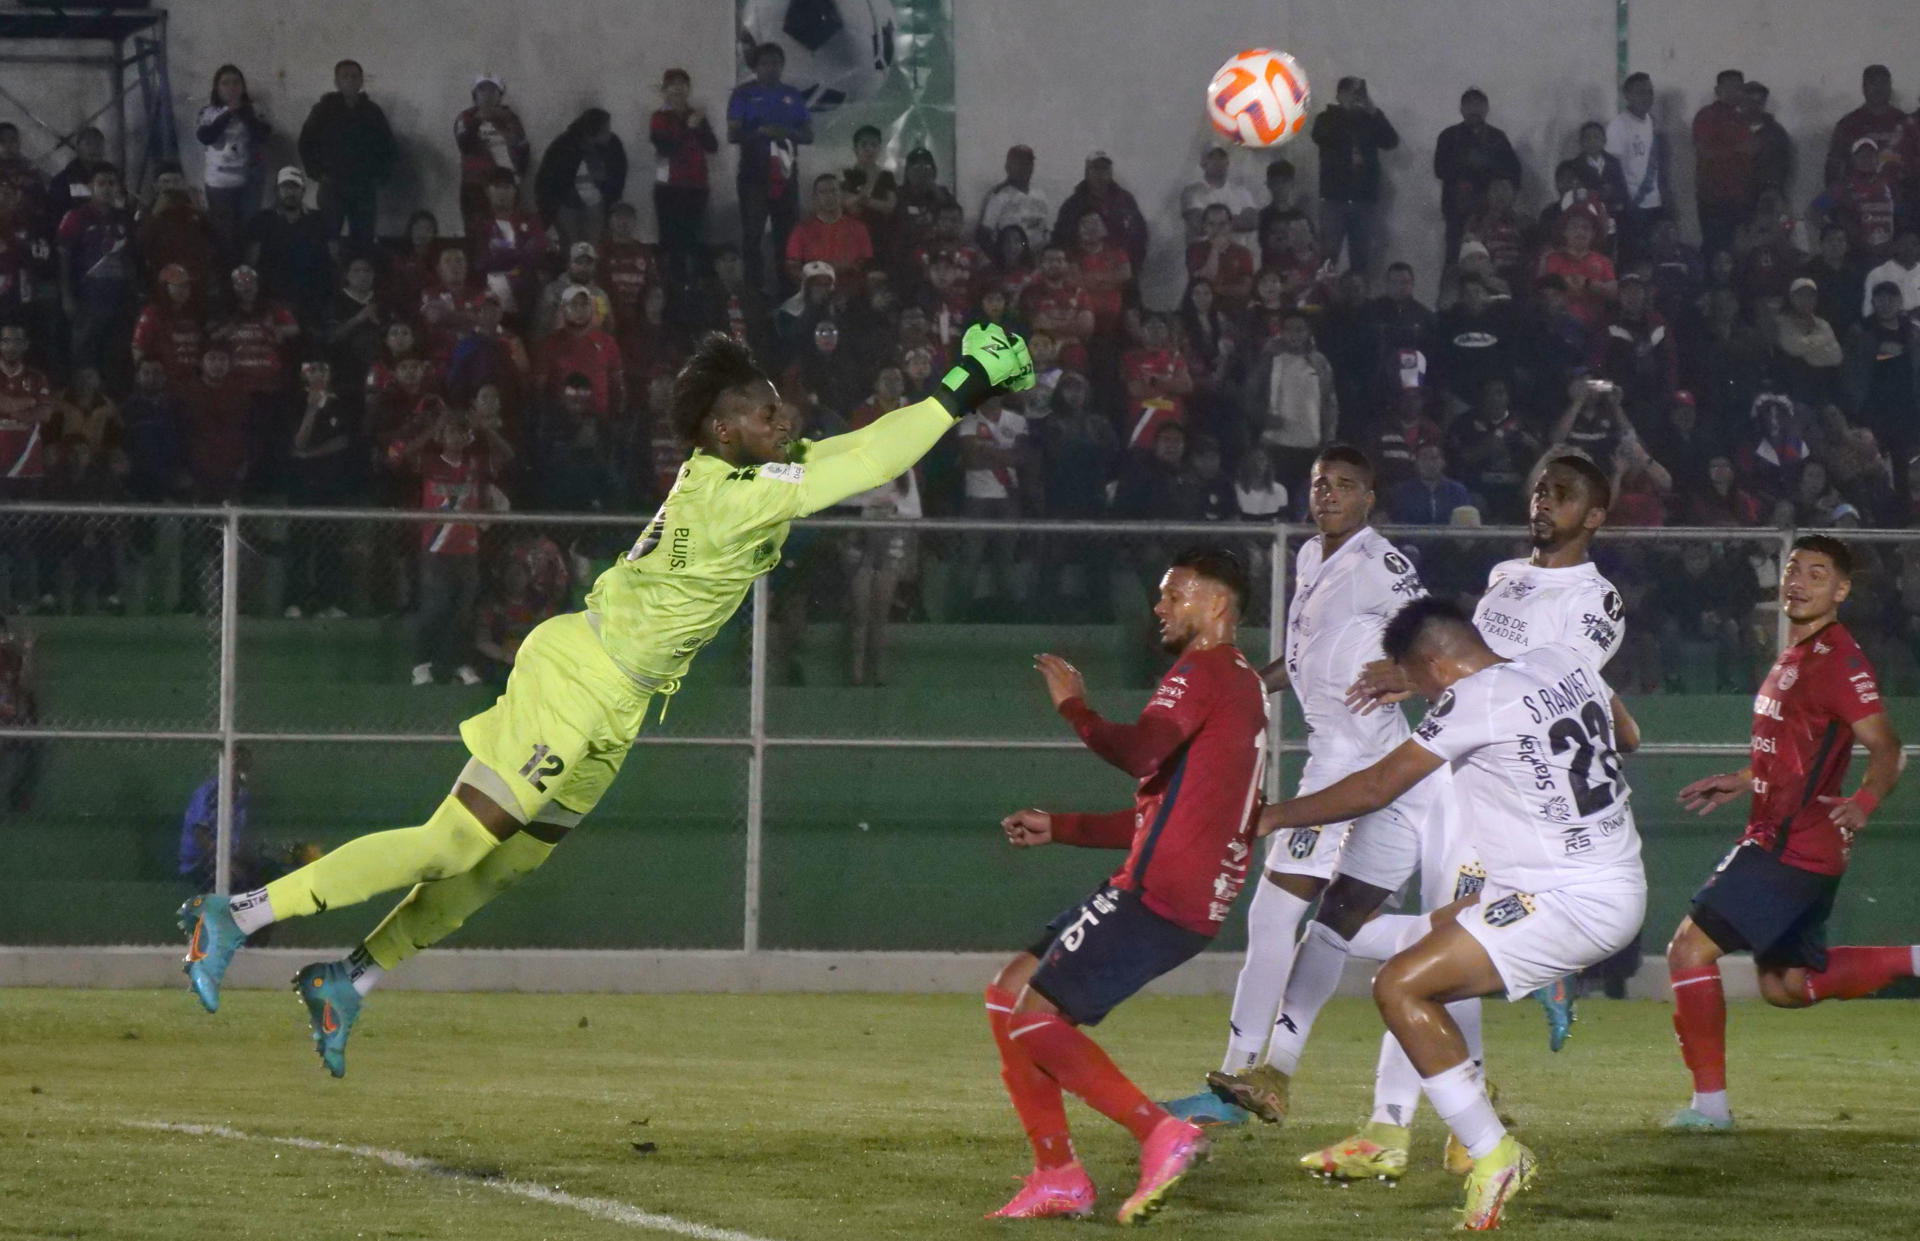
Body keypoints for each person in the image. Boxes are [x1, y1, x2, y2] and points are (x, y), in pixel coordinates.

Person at [175, 324, 1035, 1071]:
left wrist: (950, 390)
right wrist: (964, 385)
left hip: (620, 703)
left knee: (501, 866)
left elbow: (859, 446)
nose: (788, 419)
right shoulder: (726, 498)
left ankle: (345, 978)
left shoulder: (746, 475)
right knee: (453, 841)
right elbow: (872, 461)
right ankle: (240, 912)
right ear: (724, 427)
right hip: (580, 675)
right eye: (769, 411)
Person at [1261, 594, 1645, 1228]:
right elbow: (1626, 735)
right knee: (1405, 937)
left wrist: (1274, 815)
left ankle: (1494, 1153)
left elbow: (1378, 785)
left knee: (1402, 987)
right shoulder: (1562, 660)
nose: (1419, 697)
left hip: (1568, 900)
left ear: (1434, 667)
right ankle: (1418, 1119)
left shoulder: (1472, 700)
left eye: (1414, 683)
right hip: (1598, 876)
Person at [1162, 447, 1444, 1131]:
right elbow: (1306, 654)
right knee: (1336, 927)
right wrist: (1250, 683)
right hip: (1377, 762)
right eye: (1321, 483)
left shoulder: (1380, 561)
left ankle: (1235, 1078)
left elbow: (1434, 626)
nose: (1329, 494)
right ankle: (1272, 1074)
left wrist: (1411, 672)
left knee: (1271, 916)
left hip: (1354, 759)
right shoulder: (1314, 557)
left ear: (1370, 497)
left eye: (1346, 485)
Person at [986, 548, 1265, 1223]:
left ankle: (1160, 1133)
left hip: (1163, 890)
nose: (1159, 607)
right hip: (1173, 885)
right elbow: (1158, 814)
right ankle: (1057, 1174)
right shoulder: (1237, 683)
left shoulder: (1203, 670)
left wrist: (1074, 707)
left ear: (1216, 601)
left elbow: (1139, 751)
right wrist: (1063, 826)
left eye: (1174, 594)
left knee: (1034, 1016)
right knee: (1007, 993)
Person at [1666, 536, 1910, 1131]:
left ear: (1841, 590)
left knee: (1687, 950)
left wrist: (1865, 800)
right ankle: (1914, 957)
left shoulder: (1839, 659)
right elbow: (1794, 751)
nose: (1798, 582)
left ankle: (1711, 1111)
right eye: (1793, 570)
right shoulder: (1793, 655)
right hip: (1794, 843)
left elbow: (1888, 747)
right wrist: (1745, 778)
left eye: (1817, 574)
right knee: (1785, 985)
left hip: (1790, 846)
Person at [727, 44, 811, 295]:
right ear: (756, 67)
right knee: (752, 234)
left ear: (782, 66)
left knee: (786, 236)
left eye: (776, 63)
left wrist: (786, 132)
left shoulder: (792, 95)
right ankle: (754, 291)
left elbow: (808, 135)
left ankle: (787, 291)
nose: (771, 68)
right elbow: (733, 134)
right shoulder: (743, 94)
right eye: (765, 63)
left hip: (785, 175)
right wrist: (760, 133)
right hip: (754, 174)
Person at [296, 59, 397, 244]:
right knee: (328, 237)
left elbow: (388, 146)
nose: (350, 80)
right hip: (333, 184)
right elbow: (306, 142)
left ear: (361, 81)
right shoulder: (323, 110)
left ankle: (360, 271)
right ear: (336, 82)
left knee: (363, 238)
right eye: (345, 76)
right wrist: (317, 172)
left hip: (364, 186)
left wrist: (381, 176)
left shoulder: (372, 111)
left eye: (354, 76)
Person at [1309, 77, 1399, 275]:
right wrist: (1345, 113)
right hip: (1334, 199)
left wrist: (1372, 110)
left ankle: (1360, 300)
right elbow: (1320, 136)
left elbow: (1391, 141)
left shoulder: (1370, 119)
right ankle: (1325, 298)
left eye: (1358, 94)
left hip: (1363, 200)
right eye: (1350, 93)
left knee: (1362, 257)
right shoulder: (1326, 118)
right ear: (1339, 95)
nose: (1354, 98)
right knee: (1328, 258)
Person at [1433, 88, 1521, 271]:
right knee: (1456, 262)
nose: (1474, 109)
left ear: (1487, 108)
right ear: (1461, 109)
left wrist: (1487, 171)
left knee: (1493, 262)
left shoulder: (1498, 138)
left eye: (1478, 104)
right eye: (1469, 104)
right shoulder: (1449, 136)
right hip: (1458, 210)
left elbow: (1514, 172)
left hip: (1492, 212)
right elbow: (1440, 169)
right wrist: (1466, 166)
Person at [648, 68, 718, 290]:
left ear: (688, 89)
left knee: (695, 240)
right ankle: (672, 289)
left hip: (696, 186)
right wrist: (688, 128)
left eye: (683, 84)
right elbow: (666, 148)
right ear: (665, 91)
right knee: (670, 242)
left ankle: (695, 289)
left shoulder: (697, 115)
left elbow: (712, 146)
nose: (678, 88)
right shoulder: (659, 118)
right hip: (669, 187)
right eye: (672, 84)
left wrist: (699, 127)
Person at [243, 167, 334, 328]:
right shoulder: (263, 220)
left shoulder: (319, 220)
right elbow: (251, 262)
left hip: (311, 298)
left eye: (295, 187)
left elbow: (333, 260)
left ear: (303, 191)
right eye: (285, 187)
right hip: (273, 297)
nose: (290, 192)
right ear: (277, 190)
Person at [195, 64, 271, 255]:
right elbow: (206, 137)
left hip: (249, 180)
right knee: (224, 235)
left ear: (243, 86)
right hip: (219, 182)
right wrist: (228, 113)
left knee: (249, 230)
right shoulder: (208, 112)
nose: (231, 87)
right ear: (217, 88)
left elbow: (263, 135)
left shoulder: (255, 109)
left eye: (236, 82)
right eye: (225, 83)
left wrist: (243, 113)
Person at [535, 108, 628, 251]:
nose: (609, 134)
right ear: (593, 132)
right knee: (571, 246)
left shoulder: (612, 145)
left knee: (594, 246)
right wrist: (550, 206)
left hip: (596, 203)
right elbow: (549, 178)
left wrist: (612, 200)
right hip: (566, 202)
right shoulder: (564, 145)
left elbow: (618, 174)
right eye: (605, 130)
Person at [454, 74, 531, 232]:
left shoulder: (510, 118)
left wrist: (517, 177)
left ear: (499, 95)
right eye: (482, 90)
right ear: (475, 95)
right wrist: (478, 120)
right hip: (476, 188)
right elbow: (464, 143)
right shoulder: (466, 117)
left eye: (492, 91)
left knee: (510, 233)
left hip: (507, 186)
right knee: (478, 234)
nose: (487, 95)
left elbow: (522, 150)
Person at [1824, 64, 1920, 190]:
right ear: (1864, 88)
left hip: (1900, 197)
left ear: (1890, 88)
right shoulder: (1849, 124)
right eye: (1874, 83)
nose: (1879, 89)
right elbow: (1834, 165)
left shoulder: (1905, 122)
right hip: (1858, 198)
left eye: (1884, 83)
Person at [1606, 72, 1669, 261]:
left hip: (1655, 202)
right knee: (1633, 256)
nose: (1647, 97)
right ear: (1628, 96)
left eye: (1650, 92)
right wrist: (1627, 202)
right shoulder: (1618, 126)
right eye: (1641, 92)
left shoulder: (1652, 122)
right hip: (1632, 203)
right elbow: (1613, 168)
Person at [1692, 69, 1754, 257]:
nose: (1737, 92)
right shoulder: (1707, 116)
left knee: (1739, 250)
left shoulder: (1742, 118)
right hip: (1715, 197)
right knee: (1716, 249)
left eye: (1740, 88)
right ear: (1718, 90)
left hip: (1740, 197)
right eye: (1732, 87)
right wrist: (1737, 150)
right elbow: (1704, 151)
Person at [783, 172, 871, 288]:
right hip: (815, 291)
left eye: (833, 191)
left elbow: (866, 262)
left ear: (842, 195)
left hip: (851, 290)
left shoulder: (858, 228)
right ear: (815, 197)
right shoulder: (801, 230)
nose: (829, 196)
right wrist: (811, 279)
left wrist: (848, 269)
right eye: (823, 192)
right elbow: (792, 265)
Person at [976, 144, 1049, 254]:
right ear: (1007, 166)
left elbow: (1045, 230)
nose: (1024, 167)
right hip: (1011, 258)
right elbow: (983, 236)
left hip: (1037, 257)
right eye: (1018, 163)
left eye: (1028, 163)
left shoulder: (1040, 194)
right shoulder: (998, 195)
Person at [1180, 146, 1260, 242]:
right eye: (1212, 158)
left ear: (1227, 163)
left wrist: (1212, 223)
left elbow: (1253, 222)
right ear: (1203, 164)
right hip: (1202, 255)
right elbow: (1198, 226)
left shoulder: (1242, 192)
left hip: (1236, 255)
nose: (1218, 162)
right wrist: (1236, 221)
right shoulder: (1191, 192)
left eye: (1222, 158)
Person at [1388, 443, 1474, 523]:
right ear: (1416, 463)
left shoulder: (1458, 491)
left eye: (1434, 458)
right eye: (1424, 459)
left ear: (1443, 462)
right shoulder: (1402, 492)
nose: (1429, 464)